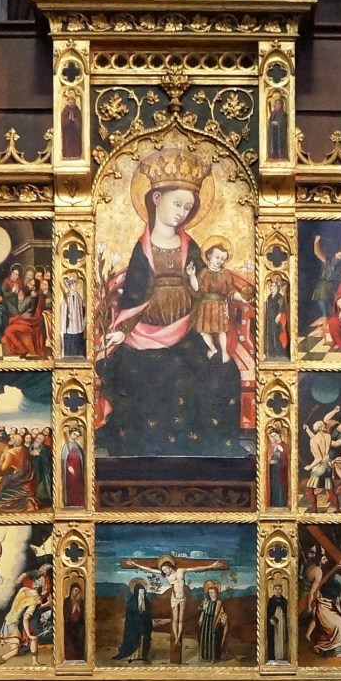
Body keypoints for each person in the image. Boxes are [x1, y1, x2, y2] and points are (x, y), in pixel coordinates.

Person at [96, 147, 242, 458]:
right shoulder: (142, 249)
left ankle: (208, 448)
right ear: (156, 198)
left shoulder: (192, 246)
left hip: (189, 328)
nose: (182, 213)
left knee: (221, 370)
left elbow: (207, 286)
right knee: (133, 371)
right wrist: (121, 331)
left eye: (188, 207)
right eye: (177, 204)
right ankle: (138, 449)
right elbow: (133, 296)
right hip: (144, 332)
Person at [123, 553, 224, 644]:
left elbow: (196, 568)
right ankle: (176, 638)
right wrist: (135, 564)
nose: (165, 571)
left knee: (180, 620)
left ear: (169, 566)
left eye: (165, 569)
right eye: (163, 570)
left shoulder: (181, 571)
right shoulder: (168, 576)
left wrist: (212, 566)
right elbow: (149, 570)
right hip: (174, 599)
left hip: (182, 598)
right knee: (175, 620)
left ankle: (179, 636)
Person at [187, 236, 241, 363]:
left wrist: (241, 297)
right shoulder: (204, 272)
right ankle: (212, 348)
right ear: (209, 256)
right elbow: (196, 287)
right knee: (203, 331)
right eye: (217, 257)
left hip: (220, 306)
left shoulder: (226, 274)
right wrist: (192, 275)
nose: (219, 261)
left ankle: (224, 353)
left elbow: (231, 290)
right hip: (205, 306)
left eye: (222, 259)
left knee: (221, 331)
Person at [0, 575, 43, 667]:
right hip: (15, 624)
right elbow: (25, 618)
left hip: (7, 622)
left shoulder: (23, 590)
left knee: (31, 639)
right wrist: (28, 635)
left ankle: (34, 662)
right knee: (17, 649)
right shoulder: (36, 600)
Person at [303, 410, 341, 512]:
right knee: (330, 491)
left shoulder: (314, 440)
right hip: (327, 467)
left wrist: (310, 466)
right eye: (323, 425)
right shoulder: (328, 436)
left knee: (310, 490)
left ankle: (314, 510)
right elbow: (315, 438)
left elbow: (318, 458)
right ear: (320, 428)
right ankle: (338, 510)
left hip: (319, 468)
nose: (325, 426)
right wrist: (307, 429)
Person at [1, 273, 46, 357]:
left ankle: (22, 349)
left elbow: (20, 310)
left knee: (8, 331)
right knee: (11, 323)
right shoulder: (38, 295)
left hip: (28, 322)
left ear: (34, 287)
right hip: (31, 321)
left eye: (30, 284)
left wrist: (20, 300)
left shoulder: (29, 299)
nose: (28, 285)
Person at [0, 435, 39, 511]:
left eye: (12, 438)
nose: (10, 439)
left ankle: (27, 503)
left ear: (14, 442)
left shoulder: (10, 453)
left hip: (19, 476)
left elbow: (3, 468)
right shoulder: (24, 449)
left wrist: (3, 456)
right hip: (27, 475)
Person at [113, 578, 153, 662]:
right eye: (140, 592)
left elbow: (148, 614)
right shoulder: (131, 602)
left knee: (143, 639)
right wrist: (138, 617)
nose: (142, 593)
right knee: (133, 638)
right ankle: (132, 656)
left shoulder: (147, 601)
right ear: (136, 592)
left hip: (144, 625)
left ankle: (142, 655)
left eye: (143, 592)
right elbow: (130, 615)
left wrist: (144, 617)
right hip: (134, 625)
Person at [311, 235, 341, 326]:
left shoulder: (340, 265)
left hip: (333, 287)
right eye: (339, 254)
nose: (340, 256)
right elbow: (318, 253)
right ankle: (325, 325)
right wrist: (316, 242)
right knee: (323, 307)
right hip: (324, 286)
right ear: (335, 253)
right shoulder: (328, 261)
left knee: (332, 307)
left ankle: (330, 325)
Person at [198, 579, 228, 663]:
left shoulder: (219, 603)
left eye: (212, 593)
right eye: (209, 593)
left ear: (216, 593)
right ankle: (204, 656)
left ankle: (212, 657)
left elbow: (222, 613)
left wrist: (221, 621)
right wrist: (203, 607)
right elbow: (199, 608)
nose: (211, 594)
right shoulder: (206, 602)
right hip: (206, 622)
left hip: (214, 623)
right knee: (205, 639)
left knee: (212, 640)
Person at [60, 274, 86, 357]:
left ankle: (77, 352)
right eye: (73, 285)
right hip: (69, 320)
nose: (75, 286)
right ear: (70, 286)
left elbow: (81, 307)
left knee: (77, 335)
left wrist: (83, 306)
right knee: (69, 335)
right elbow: (63, 308)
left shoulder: (78, 296)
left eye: (75, 285)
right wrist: (67, 315)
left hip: (77, 320)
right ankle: (69, 352)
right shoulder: (67, 296)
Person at [265, 275, 289, 358]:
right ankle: (271, 352)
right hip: (269, 318)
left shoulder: (280, 297)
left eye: (274, 286)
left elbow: (281, 308)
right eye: (271, 286)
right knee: (270, 334)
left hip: (276, 319)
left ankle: (278, 352)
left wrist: (278, 316)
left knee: (276, 334)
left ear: (277, 288)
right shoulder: (269, 297)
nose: (272, 288)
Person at [61, 427, 85, 507]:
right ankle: (71, 502)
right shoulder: (66, 445)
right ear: (70, 434)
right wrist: (68, 467)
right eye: (74, 434)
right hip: (70, 470)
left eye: (77, 436)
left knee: (78, 485)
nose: (75, 437)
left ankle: (79, 502)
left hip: (78, 469)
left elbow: (81, 456)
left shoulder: (76, 445)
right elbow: (64, 459)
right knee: (71, 485)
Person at [267, 426, 289, 507]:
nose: (273, 437)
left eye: (275, 435)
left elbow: (281, 458)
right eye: (272, 436)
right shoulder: (272, 446)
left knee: (280, 488)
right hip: (273, 471)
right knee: (274, 488)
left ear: (279, 435)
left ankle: (280, 504)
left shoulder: (283, 446)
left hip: (280, 470)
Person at [64, 581, 85, 660]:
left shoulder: (81, 602)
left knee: (80, 641)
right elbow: (66, 614)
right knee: (70, 643)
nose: (76, 592)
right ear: (71, 590)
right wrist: (73, 610)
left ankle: (80, 658)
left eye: (78, 591)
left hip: (79, 626)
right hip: (69, 625)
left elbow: (84, 615)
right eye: (75, 590)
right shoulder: (66, 601)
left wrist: (78, 609)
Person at [267, 583, 287, 662]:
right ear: (273, 590)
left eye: (279, 589)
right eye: (276, 589)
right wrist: (272, 619)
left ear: (282, 590)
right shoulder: (271, 600)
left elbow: (286, 611)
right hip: (273, 622)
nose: (278, 591)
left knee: (281, 637)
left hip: (282, 621)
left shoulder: (284, 601)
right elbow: (269, 612)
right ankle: (273, 656)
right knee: (273, 638)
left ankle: (281, 655)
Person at [61, 93, 83, 159]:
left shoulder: (77, 110)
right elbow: (63, 121)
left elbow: (79, 120)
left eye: (72, 102)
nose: (71, 103)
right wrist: (68, 120)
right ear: (67, 102)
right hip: (67, 131)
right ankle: (67, 155)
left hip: (75, 131)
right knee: (67, 144)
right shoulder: (65, 110)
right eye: (70, 102)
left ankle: (76, 155)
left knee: (75, 144)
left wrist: (75, 120)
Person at [267, 93, 288, 159]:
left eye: (277, 104)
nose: (275, 105)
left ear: (281, 105)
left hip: (279, 134)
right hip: (273, 133)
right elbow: (270, 121)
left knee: (279, 146)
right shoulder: (273, 113)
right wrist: (271, 122)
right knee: (273, 145)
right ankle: (273, 155)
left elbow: (282, 123)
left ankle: (280, 155)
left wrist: (277, 123)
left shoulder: (282, 113)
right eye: (275, 103)